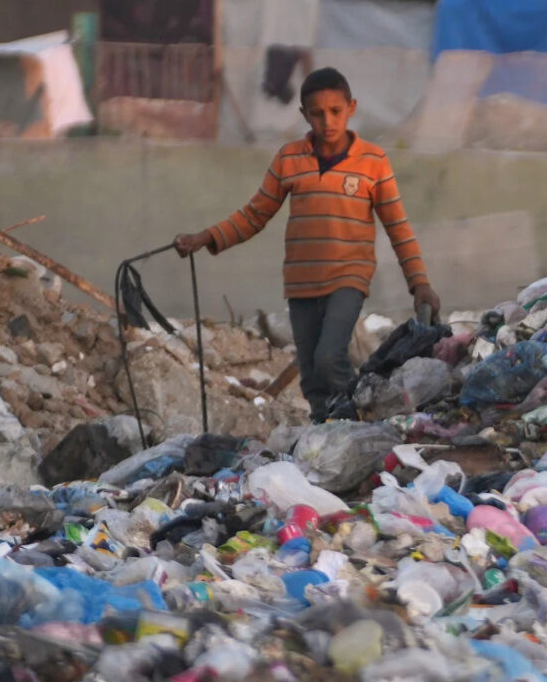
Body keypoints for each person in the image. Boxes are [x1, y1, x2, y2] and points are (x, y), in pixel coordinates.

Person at [175, 68, 440, 420]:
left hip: (348, 278)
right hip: (301, 284)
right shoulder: (290, 159)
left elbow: (398, 228)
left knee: (330, 359)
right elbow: (255, 214)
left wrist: (419, 283)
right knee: (313, 378)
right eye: (317, 113)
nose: (327, 121)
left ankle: (362, 417)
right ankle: (325, 436)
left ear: (351, 109)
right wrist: (206, 237)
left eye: (335, 112)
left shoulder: (373, 162)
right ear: (304, 114)